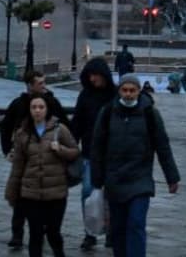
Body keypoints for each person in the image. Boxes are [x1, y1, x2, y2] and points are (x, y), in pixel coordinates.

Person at [91, 74, 180, 257]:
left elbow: (162, 146)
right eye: (125, 90)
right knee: (118, 228)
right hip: (115, 180)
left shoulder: (150, 114)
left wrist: (172, 177)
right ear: (119, 91)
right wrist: (97, 180)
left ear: (139, 91)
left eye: (132, 90)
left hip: (140, 180)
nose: (128, 94)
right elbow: (97, 147)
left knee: (136, 223)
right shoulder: (107, 113)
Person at [1, 71, 70, 251]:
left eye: (44, 82)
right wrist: (7, 150)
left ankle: (45, 229)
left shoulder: (52, 103)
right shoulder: (18, 104)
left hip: (48, 160)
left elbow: (65, 127)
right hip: (24, 157)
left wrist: (61, 149)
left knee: (43, 201)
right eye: (40, 83)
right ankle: (17, 233)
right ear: (29, 85)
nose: (44, 86)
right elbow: (6, 127)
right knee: (20, 196)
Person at [6, 94, 81, 257]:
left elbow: (75, 151)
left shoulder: (59, 129)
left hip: (56, 193)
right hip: (31, 193)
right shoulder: (22, 133)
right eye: (34, 107)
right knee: (35, 233)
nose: (37, 111)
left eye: (41, 107)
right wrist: (12, 192)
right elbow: (18, 166)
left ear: (47, 109)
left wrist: (60, 149)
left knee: (53, 232)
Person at [70, 57, 117, 252]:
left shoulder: (115, 96)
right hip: (90, 153)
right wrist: (70, 144)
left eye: (94, 75)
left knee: (113, 195)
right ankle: (90, 232)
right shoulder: (85, 96)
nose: (92, 79)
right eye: (89, 75)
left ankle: (111, 231)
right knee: (88, 192)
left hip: (113, 154)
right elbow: (77, 123)